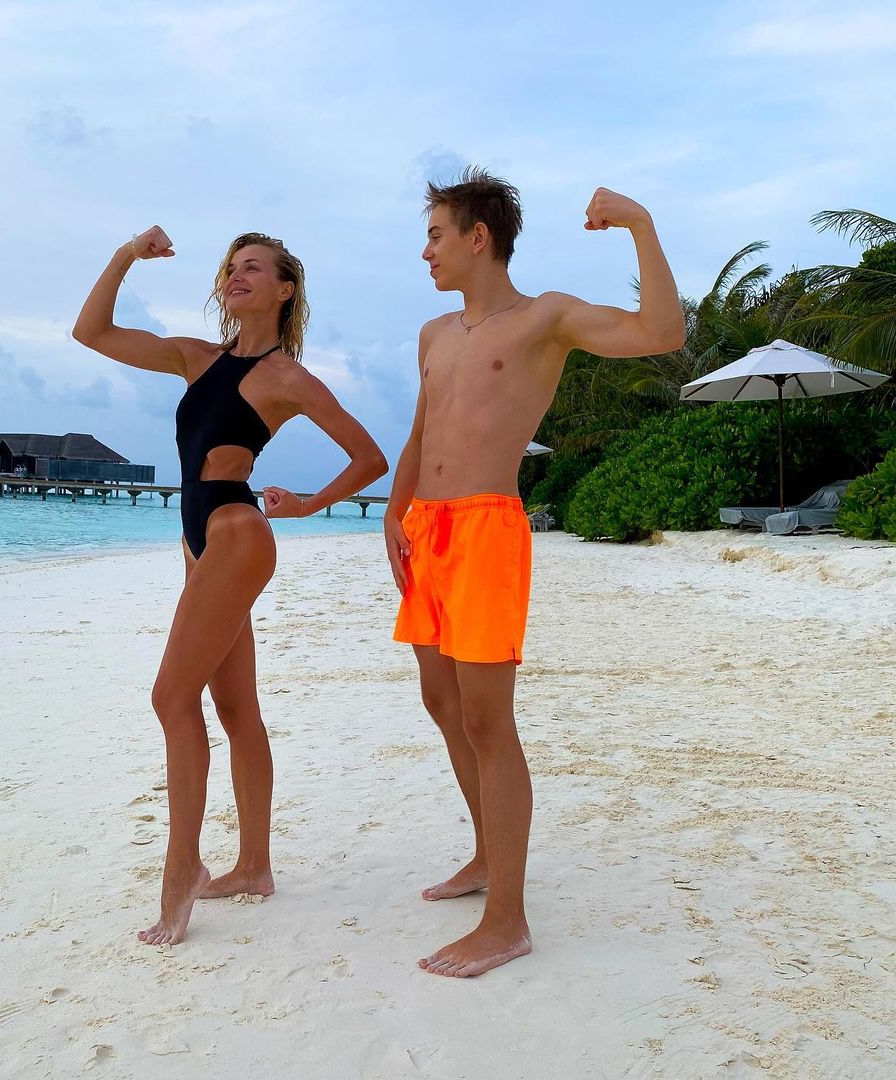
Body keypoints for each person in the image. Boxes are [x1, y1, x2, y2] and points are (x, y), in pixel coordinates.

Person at [386, 170, 685, 977]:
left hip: (486, 527)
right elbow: (421, 428)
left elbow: (662, 332)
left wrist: (639, 222)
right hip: (426, 528)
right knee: (442, 702)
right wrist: (394, 512)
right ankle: (488, 855)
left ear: (478, 237)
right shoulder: (433, 334)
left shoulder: (544, 317)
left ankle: (507, 921)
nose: (426, 253)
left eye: (436, 236)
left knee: (488, 722)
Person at [74, 226, 388, 946]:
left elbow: (370, 457)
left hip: (237, 531)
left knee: (170, 697)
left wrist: (309, 504)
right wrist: (125, 255)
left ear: (285, 289)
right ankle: (254, 867)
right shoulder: (196, 357)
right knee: (235, 706)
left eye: (253, 267)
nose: (236, 276)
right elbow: (91, 333)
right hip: (197, 540)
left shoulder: (288, 378)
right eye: (230, 268)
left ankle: (182, 868)